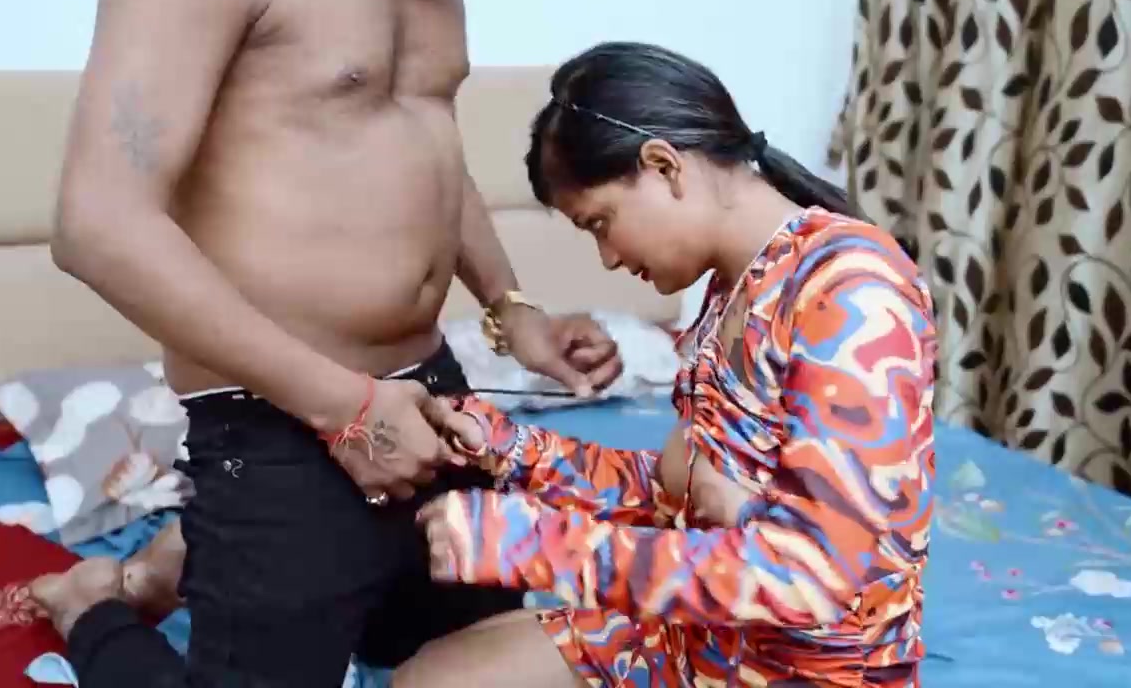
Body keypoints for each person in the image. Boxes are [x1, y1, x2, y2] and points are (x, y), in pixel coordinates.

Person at [34, 0, 621, 686]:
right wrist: (347, 409)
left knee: (483, 661)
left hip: (430, 399)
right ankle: (91, 608)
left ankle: (184, 554)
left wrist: (512, 307)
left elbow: (418, 144)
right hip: (282, 416)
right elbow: (97, 225)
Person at [392, 42, 939, 687]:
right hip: (704, 636)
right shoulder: (736, 289)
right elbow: (675, 495)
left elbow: (812, 576)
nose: (607, 258)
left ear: (663, 166)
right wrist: (512, 447)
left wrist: (537, 545)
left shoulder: (853, 295)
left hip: (795, 672)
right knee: (427, 672)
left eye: (600, 223)